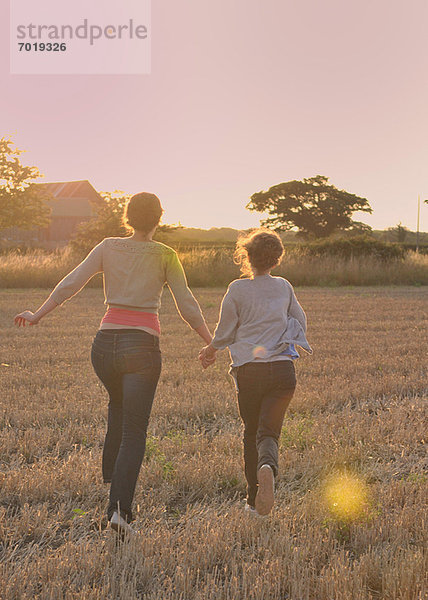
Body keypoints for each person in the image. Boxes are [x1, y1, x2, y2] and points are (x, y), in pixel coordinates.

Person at [14, 192, 213, 534]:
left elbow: (71, 283)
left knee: (118, 404)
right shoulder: (167, 254)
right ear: (159, 218)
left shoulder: (108, 246)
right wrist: (210, 341)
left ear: (127, 217)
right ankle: (119, 512)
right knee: (135, 431)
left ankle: (112, 473)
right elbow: (187, 304)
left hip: (103, 347)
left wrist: (37, 314)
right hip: (141, 347)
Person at [199, 229, 312, 516]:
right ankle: (268, 466)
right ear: (276, 260)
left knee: (251, 433)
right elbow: (300, 319)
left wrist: (210, 349)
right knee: (269, 433)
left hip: (249, 372)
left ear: (247, 258)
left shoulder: (237, 289)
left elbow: (225, 332)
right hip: (283, 371)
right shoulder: (284, 286)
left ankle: (252, 501)